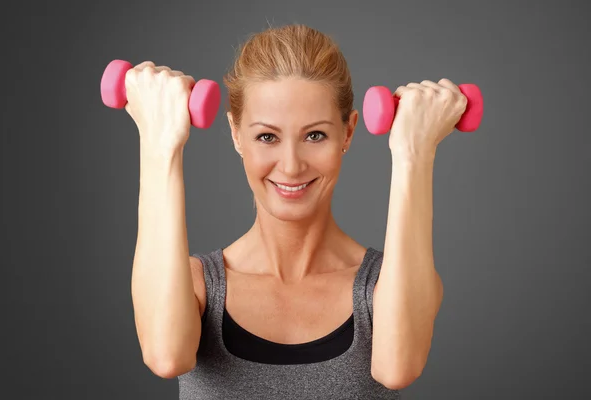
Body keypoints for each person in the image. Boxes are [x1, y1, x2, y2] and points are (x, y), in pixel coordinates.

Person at [126, 23, 464, 399]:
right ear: (236, 134)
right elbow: (165, 356)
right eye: (267, 136)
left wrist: (413, 153)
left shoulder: (390, 283)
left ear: (348, 132)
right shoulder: (196, 284)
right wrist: (160, 144)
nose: (290, 166)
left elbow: (397, 367)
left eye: (314, 135)